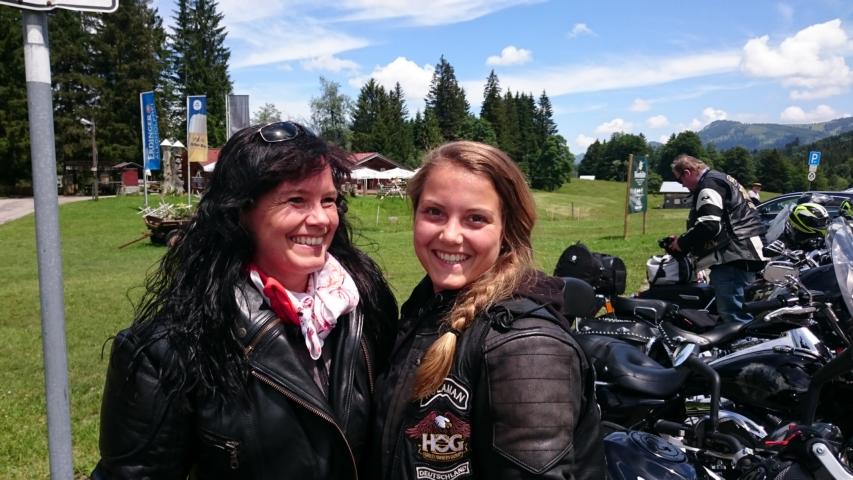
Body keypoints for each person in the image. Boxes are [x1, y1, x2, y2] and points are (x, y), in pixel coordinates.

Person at [92, 122, 398, 479]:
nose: (320, 219)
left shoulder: (365, 305)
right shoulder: (169, 348)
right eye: (296, 200)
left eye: (328, 200)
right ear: (240, 212)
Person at [372, 141, 605, 479]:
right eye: (434, 212)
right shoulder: (427, 306)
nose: (450, 235)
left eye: (476, 219)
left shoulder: (527, 347)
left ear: (507, 229)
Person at [667, 154, 766, 323]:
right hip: (746, 250)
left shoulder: (708, 184)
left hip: (734, 255)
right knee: (740, 310)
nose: (682, 185)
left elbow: (710, 225)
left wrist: (681, 243)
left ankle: (745, 340)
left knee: (734, 315)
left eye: (679, 180)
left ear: (687, 172)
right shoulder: (721, 178)